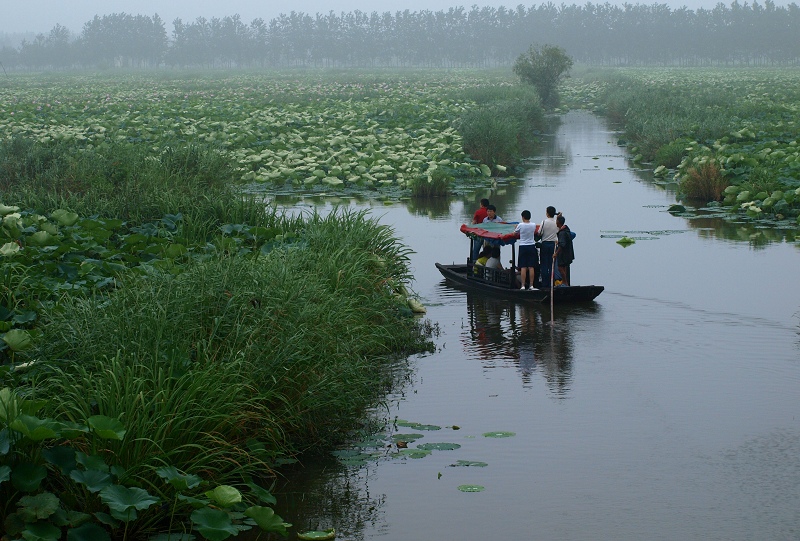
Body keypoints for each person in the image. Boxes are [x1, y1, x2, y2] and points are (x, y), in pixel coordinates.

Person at [514, 210, 539, 290]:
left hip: (523, 246)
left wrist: (515, 228)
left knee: (523, 267)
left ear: (523, 217)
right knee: (531, 267)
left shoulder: (520, 225)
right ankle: (531, 285)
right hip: (531, 246)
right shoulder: (533, 225)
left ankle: (523, 285)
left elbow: (515, 233)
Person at [538, 206, 559, 288]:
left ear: (547, 213)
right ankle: (551, 283)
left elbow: (539, 232)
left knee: (544, 264)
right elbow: (558, 231)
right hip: (553, 245)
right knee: (552, 265)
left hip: (545, 244)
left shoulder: (544, 222)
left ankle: (544, 283)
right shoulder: (556, 222)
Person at [555, 214, 574, 286]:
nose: (556, 222)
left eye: (556, 221)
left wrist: (556, 253)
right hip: (567, 252)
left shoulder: (562, 233)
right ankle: (564, 282)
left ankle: (565, 282)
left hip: (563, 253)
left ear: (559, 222)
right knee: (564, 267)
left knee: (560, 268)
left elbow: (562, 244)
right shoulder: (566, 230)